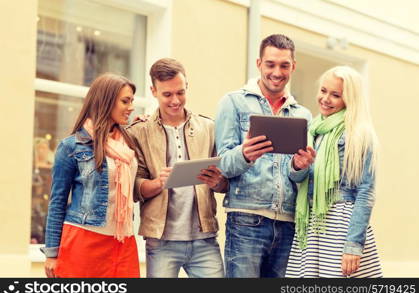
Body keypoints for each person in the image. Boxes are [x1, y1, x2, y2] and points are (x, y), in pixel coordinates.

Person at [215, 34, 312, 278]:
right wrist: (245, 155)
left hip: (288, 223)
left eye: (284, 65)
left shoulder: (303, 114)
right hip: (247, 219)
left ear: (293, 66)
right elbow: (224, 165)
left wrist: (300, 167)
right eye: (270, 64)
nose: (277, 72)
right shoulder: (233, 102)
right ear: (259, 64)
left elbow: (299, 178)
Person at [127, 58, 227, 278]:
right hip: (161, 241)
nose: (175, 100)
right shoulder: (139, 131)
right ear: (153, 91)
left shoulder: (208, 128)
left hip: (204, 238)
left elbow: (224, 183)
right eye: (167, 94)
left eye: (180, 92)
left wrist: (218, 182)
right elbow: (134, 187)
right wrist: (157, 184)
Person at [285, 66, 382, 278]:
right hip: (312, 226)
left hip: (341, 226)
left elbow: (365, 192)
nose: (325, 99)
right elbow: (297, 179)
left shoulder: (359, 134)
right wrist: (298, 166)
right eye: (323, 91)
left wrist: (353, 246)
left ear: (349, 99)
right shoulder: (312, 130)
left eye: (335, 95)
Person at [41, 73, 140, 278]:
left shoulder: (128, 142)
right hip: (85, 241)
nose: (131, 107)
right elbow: (57, 201)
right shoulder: (71, 146)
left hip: (123, 241)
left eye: (132, 101)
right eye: (125, 101)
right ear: (106, 101)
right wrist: (52, 253)